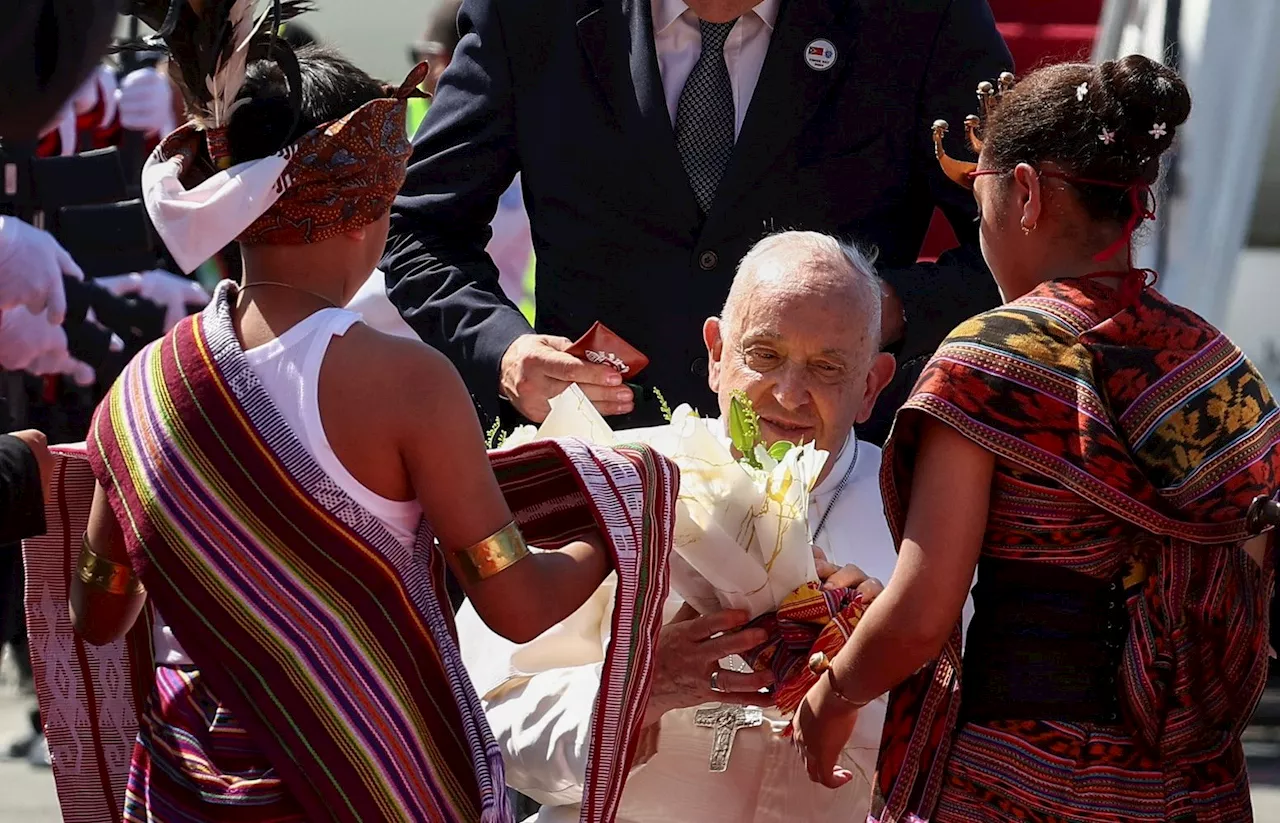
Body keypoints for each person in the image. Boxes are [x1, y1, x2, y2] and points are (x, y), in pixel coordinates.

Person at [60, 30, 676, 822]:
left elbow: (99, 611)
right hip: (360, 781)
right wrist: (622, 519)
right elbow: (516, 603)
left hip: (187, 783)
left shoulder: (143, 386)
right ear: (368, 208)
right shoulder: (410, 382)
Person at [791, 55, 1280, 823]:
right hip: (1191, 785)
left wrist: (834, 694)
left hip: (1019, 779)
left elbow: (924, 611)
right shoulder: (1216, 364)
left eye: (977, 203)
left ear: (1022, 193)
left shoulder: (990, 359)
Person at [382, 0, 1011, 444]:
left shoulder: (921, 16)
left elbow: (1024, 244)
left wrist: (882, 308)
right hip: (599, 479)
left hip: (826, 492)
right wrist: (505, 351)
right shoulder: (530, 13)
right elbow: (419, 230)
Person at [456, 231, 912, 822]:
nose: (788, 393)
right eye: (765, 355)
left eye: (827, 367)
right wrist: (636, 690)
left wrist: (877, 671)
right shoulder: (607, 479)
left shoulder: (922, 520)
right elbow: (484, 720)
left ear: (871, 386)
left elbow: (957, 755)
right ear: (718, 353)